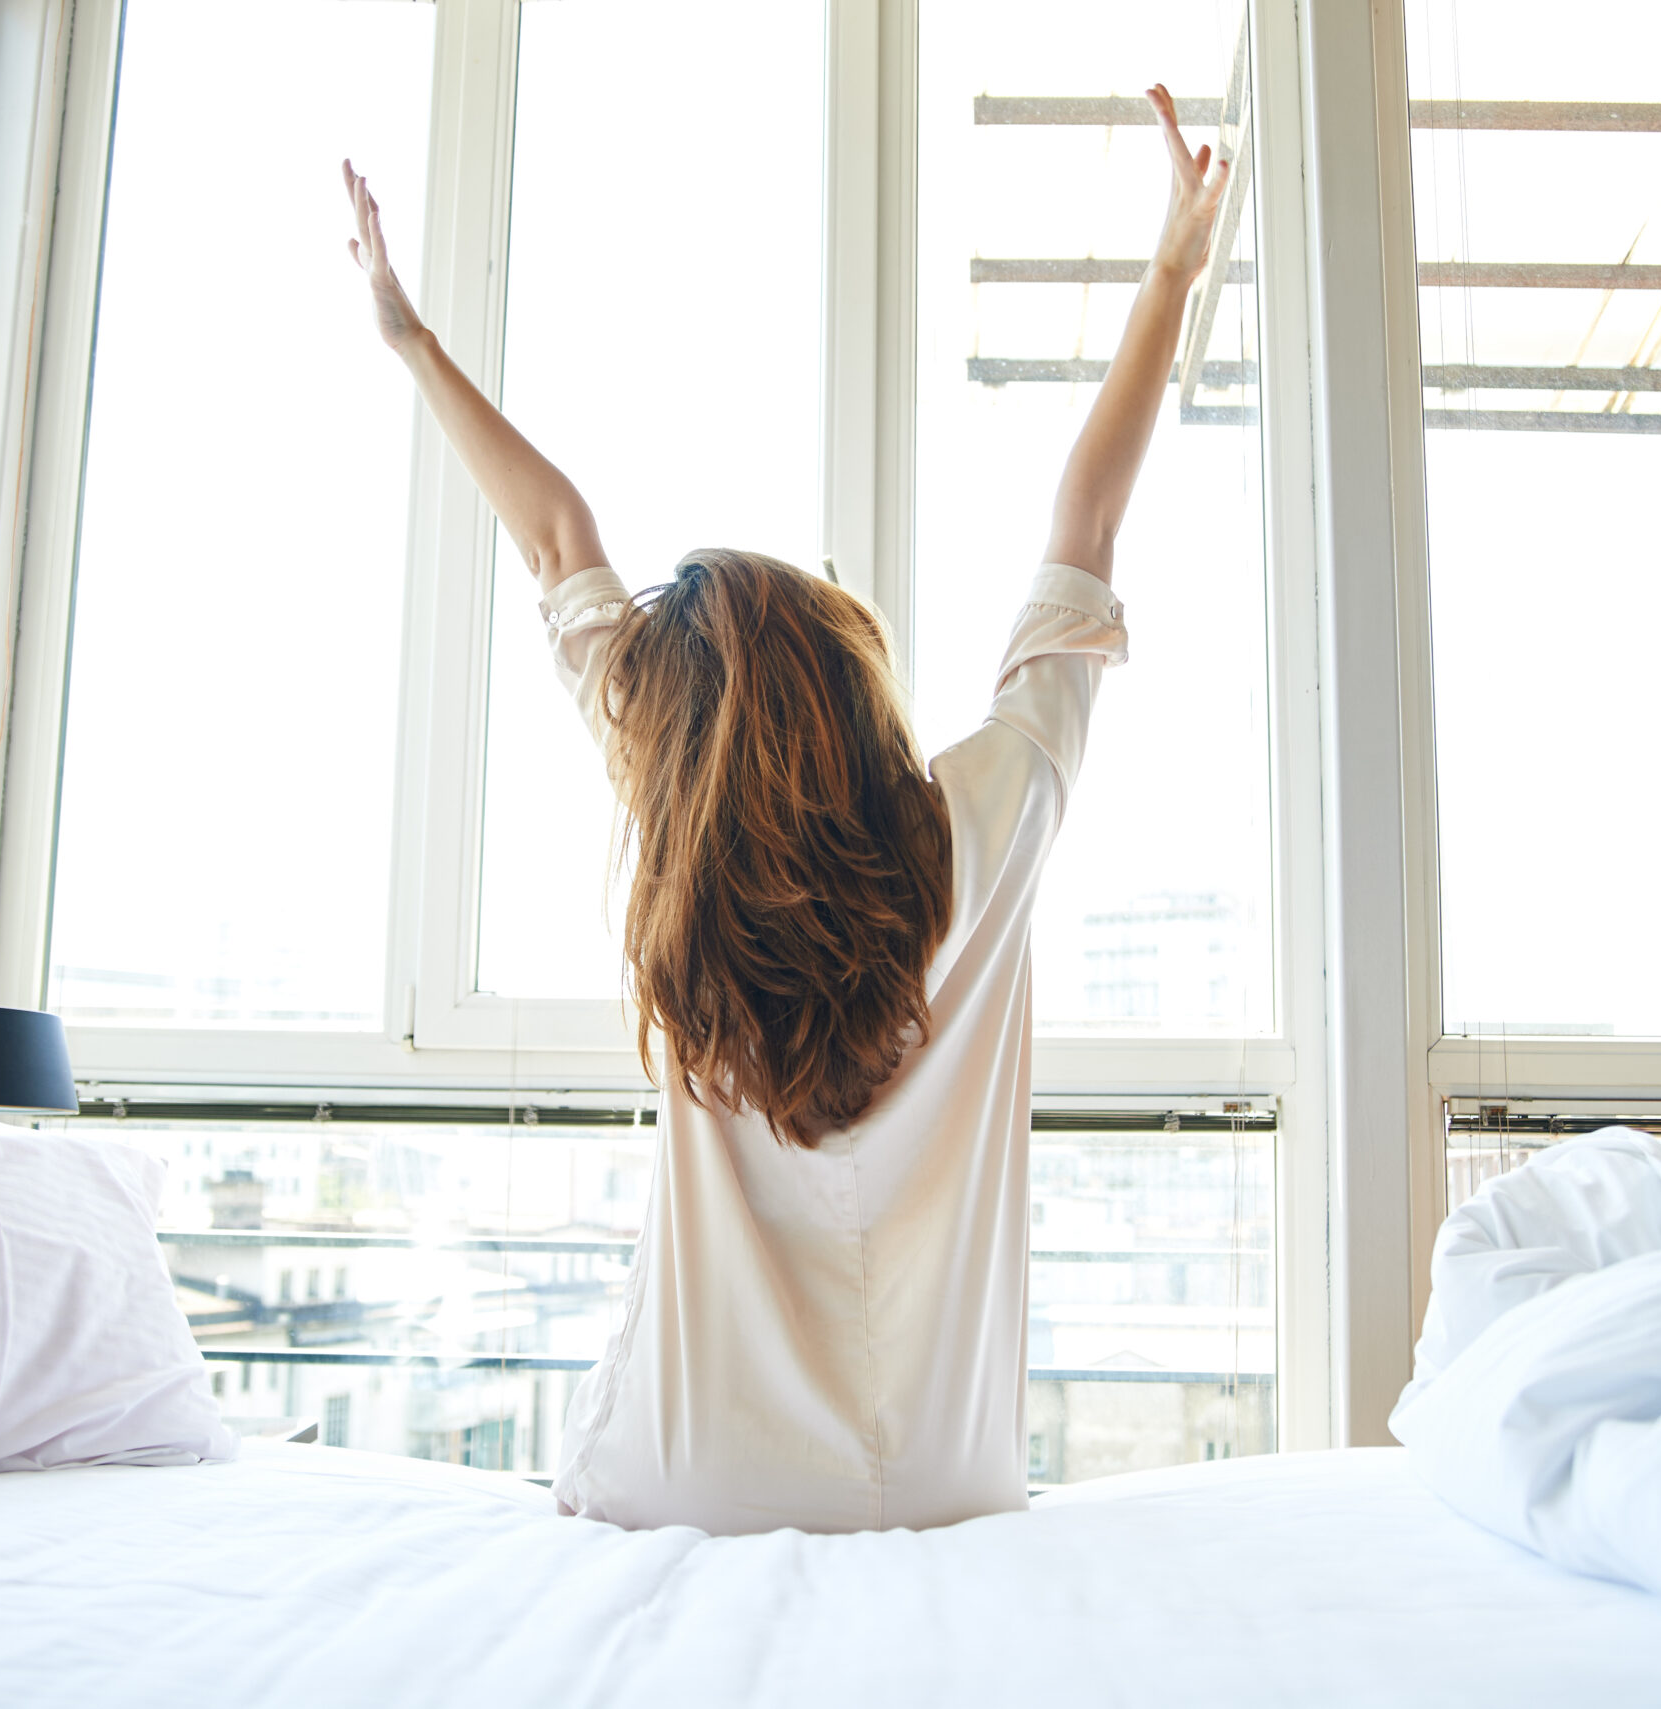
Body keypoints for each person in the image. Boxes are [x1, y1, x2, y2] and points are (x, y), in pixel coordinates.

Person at [343, 84, 1229, 1535]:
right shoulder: (980, 829)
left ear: (681, 734)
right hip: (940, 1478)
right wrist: (1173, 275)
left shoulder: (681, 837)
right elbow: (1086, 524)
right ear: (849, 672)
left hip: (690, 1474)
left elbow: (560, 538)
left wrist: (409, 337)